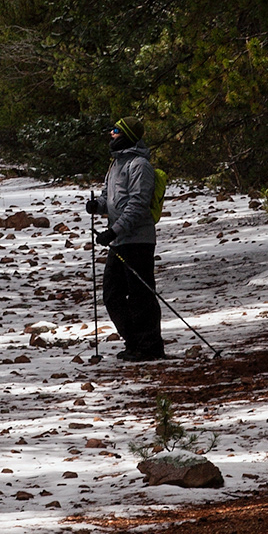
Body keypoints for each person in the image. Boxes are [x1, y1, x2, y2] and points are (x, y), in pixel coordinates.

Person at [89, 122, 164, 360]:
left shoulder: (140, 165)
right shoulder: (115, 164)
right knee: (112, 295)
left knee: (141, 295)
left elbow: (138, 205)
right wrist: (97, 206)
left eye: (116, 131)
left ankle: (150, 346)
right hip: (120, 240)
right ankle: (134, 342)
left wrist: (113, 231)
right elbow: (108, 198)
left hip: (138, 241)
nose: (111, 134)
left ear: (128, 135)